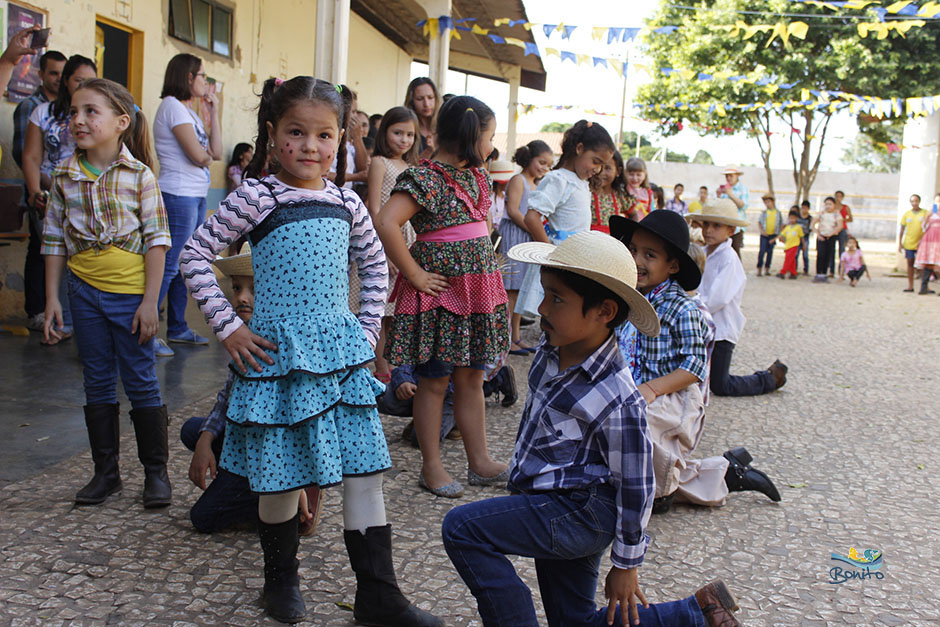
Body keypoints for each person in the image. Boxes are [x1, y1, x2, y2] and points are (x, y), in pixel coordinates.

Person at [180, 76, 441, 626]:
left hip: (342, 356)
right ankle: (280, 583)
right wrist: (228, 326)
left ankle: (378, 594)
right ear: (274, 135)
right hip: (277, 357)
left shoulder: (347, 201)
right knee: (280, 475)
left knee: (364, 472)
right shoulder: (257, 197)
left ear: (341, 139)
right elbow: (194, 255)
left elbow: (375, 265)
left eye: (325, 136)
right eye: (297, 133)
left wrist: (368, 331)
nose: (310, 147)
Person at [442, 231, 745, 627]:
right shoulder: (550, 352)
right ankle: (698, 614)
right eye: (545, 293)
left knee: (463, 529)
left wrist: (626, 563)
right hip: (556, 498)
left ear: (603, 312)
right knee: (574, 621)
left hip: (581, 511)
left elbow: (637, 484)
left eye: (557, 298)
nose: (542, 307)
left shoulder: (618, 396)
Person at [42, 78, 172, 508]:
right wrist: (53, 298)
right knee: (96, 379)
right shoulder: (63, 175)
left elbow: (157, 241)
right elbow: (54, 240)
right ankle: (106, 473)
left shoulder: (139, 176)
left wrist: (151, 302)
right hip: (84, 294)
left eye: (90, 111)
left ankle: (156, 474)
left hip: (132, 297)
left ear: (121, 122)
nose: (78, 119)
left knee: (139, 380)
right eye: (74, 111)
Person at [376, 96, 510, 500]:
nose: (491, 146)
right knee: (434, 382)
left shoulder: (479, 177)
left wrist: (488, 265)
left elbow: (480, 230)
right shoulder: (428, 177)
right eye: (489, 137)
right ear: (472, 137)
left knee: (471, 378)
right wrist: (413, 273)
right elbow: (386, 220)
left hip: (475, 294)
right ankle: (431, 466)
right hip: (443, 295)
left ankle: (479, 461)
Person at [610, 212, 780, 514]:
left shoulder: (682, 308)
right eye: (633, 250)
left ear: (672, 266)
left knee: (640, 426)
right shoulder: (627, 298)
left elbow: (695, 367)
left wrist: (651, 389)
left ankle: (659, 494)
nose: (637, 260)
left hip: (673, 393)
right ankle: (724, 472)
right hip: (637, 388)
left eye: (650, 255)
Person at [23, 54, 98, 343]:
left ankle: (82, 326)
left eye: (90, 80)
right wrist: (33, 192)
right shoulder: (42, 112)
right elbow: (31, 157)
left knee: (80, 259)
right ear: (66, 80)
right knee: (53, 255)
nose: (84, 85)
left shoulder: (96, 114)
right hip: (49, 195)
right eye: (79, 79)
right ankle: (58, 322)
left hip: (85, 197)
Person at [152, 53, 222, 356]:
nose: (205, 82)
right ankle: (148, 329)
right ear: (187, 77)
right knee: (168, 265)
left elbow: (215, 151)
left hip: (193, 193)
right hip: (177, 193)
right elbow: (198, 155)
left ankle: (178, 327)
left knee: (185, 263)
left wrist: (213, 110)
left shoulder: (189, 112)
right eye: (201, 76)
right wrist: (203, 155)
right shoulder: (171, 107)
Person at [514, 120, 616, 318]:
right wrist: (550, 256)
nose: (598, 169)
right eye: (596, 161)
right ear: (579, 149)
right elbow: (532, 218)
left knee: (568, 313)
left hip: (576, 257)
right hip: (560, 258)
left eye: (603, 165)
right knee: (555, 312)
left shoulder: (581, 183)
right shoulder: (559, 179)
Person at [697, 199, 788, 396]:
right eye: (706, 224)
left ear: (730, 231)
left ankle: (769, 379)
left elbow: (717, 299)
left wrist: (692, 307)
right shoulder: (703, 253)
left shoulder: (729, 259)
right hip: (703, 325)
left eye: (716, 225)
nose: (708, 230)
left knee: (721, 386)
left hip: (722, 330)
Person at [366, 106, 421, 382]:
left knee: (397, 311)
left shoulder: (412, 167)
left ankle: (394, 366)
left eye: (409, 135)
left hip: (408, 240)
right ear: (384, 131)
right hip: (385, 239)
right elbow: (375, 207)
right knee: (380, 310)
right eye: (397, 132)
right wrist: (383, 250)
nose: (403, 140)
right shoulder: (379, 163)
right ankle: (381, 367)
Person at [13, 49, 67, 334]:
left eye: (62, 73)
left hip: (65, 194)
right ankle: (36, 310)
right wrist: (42, 186)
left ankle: (59, 315)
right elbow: (23, 155)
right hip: (41, 193)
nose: (58, 79)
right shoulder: (32, 107)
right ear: (41, 74)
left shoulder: (71, 108)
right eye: (53, 73)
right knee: (40, 250)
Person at [501, 140, 552, 354]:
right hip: (515, 235)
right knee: (510, 291)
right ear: (529, 158)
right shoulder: (518, 179)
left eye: (548, 165)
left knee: (520, 290)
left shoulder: (538, 184)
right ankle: (505, 340)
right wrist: (533, 229)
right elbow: (513, 210)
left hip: (527, 237)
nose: (544, 168)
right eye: (541, 162)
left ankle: (516, 336)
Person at [589, 151, 629, 233]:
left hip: (610, 242)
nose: (601, 173)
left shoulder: (620, 195)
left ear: (618, 171)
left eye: (607, 168)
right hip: (588, 240)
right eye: (598, 166)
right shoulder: (587, 192)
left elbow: (633, 214)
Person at [716, 165, 749, 257]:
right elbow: (719, 207)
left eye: (731, 175)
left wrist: (730, 194)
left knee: (735, 253)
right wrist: (718, 195)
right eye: (727, 176)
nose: (728, 178)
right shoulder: (725, 189)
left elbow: (743, 206)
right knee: (722, 252)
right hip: (724, 225)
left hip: (736, 227)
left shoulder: (743, 189)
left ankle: (737, 271)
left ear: (737, 176)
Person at [404, 77, 440, 159]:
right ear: (411, 101)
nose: (426, 104)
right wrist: (428, 151)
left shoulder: (444, 127)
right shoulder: (406, 128)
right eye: (420, 99)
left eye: (430, 97)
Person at [812, 196, 844, 283]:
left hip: (831, 237)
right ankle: (818, 273)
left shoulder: (836, 214)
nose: (828, 206)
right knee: (820, 254)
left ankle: (824, 274)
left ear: (834, 205)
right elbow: (813, 223)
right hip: (822, 236)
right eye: (826, 204)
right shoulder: (821, 213)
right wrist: (817, 234)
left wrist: (832, 233)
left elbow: (840, 225)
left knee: (828, 255)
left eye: (830, 204)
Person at [899, 193, 927, 292]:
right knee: (910, 264)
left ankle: (925, 286)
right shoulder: (907, 214)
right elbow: (902, 229)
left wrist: (936, 204)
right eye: (912, 201)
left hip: (921, 244)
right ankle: (910, 286)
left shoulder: (925, 213)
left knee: (922, 266)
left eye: (916, 201)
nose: (914, 203)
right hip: (909, 243)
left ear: (919, 201)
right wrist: (900, 243)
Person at [914, 194, 940, 295]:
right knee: (928, 264)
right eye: (937, 201)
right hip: (929, 240)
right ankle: (924, 287)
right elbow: (924, 226)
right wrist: (928, 216)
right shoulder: (931, 212)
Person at [756, 193, 782, 276]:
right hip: (764, 235)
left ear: (773, 202)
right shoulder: (764, 213)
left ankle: (767, 269)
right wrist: (762, 231)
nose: (767, 204)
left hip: (773, 235)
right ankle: (759, 269)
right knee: (762, 252)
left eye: (768, 202)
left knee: (770, 252)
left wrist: (778, 235)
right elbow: (759, 222)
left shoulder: (777, 213)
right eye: (765, 202)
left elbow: (781, 224)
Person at [777, 208, 805, 279]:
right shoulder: (787, 227)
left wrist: (804, 245)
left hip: (794, 246)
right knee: (792, 260)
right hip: (787, 246)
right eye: (790, 218)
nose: (792, 220)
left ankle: (782, 272)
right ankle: (793, 273)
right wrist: (781, 239)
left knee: (788, 259)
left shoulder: (798, 227)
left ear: (796, 218)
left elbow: (802, 237)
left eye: (793, 218)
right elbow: (782, 235)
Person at [830, 190, 853, 276]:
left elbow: (851, 219)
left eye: (840, 196)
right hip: (833, 228)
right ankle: (831, 270)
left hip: (842, 229)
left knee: (841, 250)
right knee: (831, 250)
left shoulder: (845, 207)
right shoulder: (832, 207)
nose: (838, 198)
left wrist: (843, 220)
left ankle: (841, 271)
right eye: (836, 196)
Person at [797, 200, 813, 275]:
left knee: (805, 254)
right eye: (803, 208)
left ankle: (806, 270)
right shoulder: (797, 217)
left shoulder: (810, 218)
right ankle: (794, 269)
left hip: (805, 238)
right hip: (796, 238)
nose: (804, 210)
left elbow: (811, 228)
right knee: (796, 254)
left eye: (806, 208)